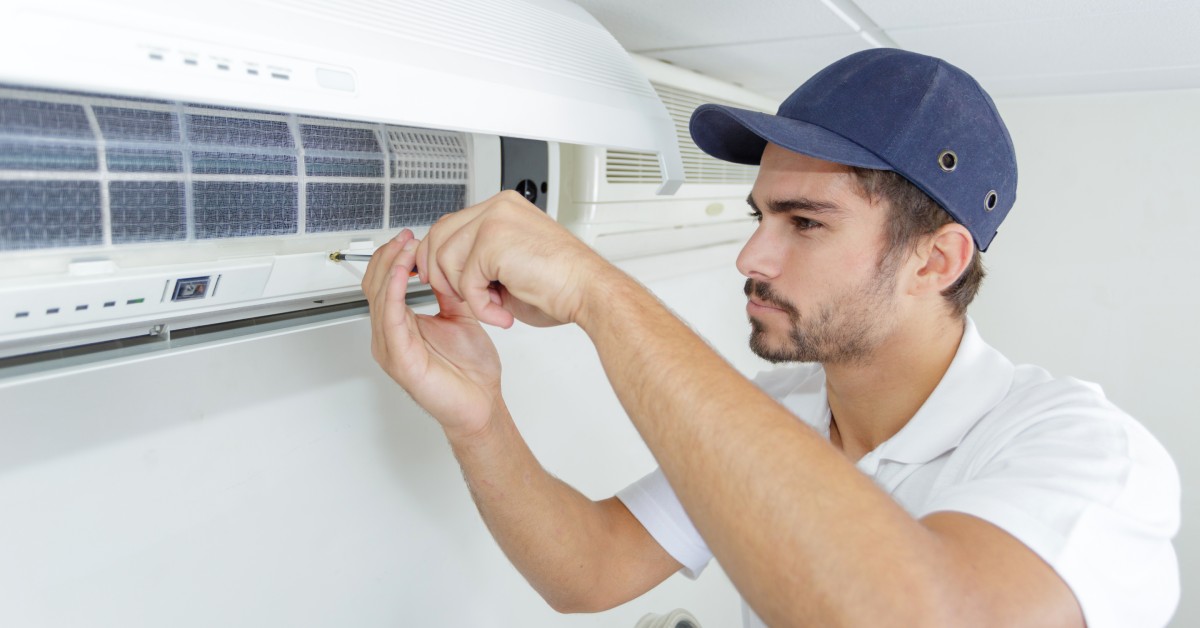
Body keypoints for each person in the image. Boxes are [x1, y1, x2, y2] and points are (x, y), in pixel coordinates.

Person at [362, 49, 1179, 627]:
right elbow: (590, 569)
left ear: (936, 260)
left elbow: (919, 614)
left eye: (806, 222)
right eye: (762, 215)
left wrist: (597, 292)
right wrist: (478, 416)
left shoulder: (1086, 454)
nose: (751, 255)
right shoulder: (781, 408)